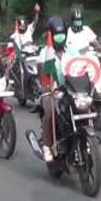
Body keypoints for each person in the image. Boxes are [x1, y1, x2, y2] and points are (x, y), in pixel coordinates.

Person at [37, 16, 68, 162]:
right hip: (51, 91)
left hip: (70, 90)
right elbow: (42, 73)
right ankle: (47, 146)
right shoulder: (45, 53)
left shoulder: (72, 50)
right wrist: (47, 87)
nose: (60, 38)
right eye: (56, 34)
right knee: (50, 112)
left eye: (62, 34)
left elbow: (82, 66)